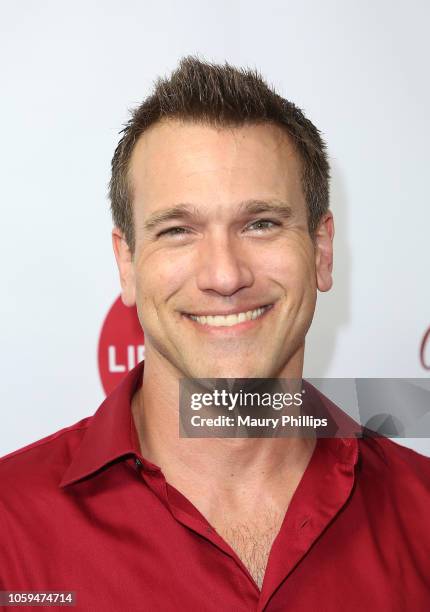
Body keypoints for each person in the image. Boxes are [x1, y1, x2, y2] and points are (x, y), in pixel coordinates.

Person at [0, 57, 429, 612]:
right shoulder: (9, 527)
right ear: (126, 264)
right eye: (178, 231)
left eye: (261, 224)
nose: (225, 275)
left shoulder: (421, 515)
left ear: (322, 251)